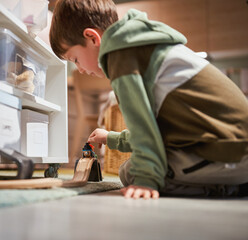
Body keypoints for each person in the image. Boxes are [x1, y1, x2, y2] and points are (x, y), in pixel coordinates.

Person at [49, 0, 248, 199]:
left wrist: (146, 180)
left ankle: (227, 187)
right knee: (137, 165)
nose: (80, 69)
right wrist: (111, 138)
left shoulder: (120, 57)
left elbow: (144, 129)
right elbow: (154, 129)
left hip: (230, 153)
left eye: (75, 60)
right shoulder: (139, 45)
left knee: (131, 172)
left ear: (92, 38)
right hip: (234, 147)